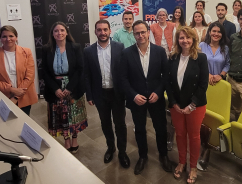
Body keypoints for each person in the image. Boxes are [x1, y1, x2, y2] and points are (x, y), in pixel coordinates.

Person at [120, 20, 172, 175]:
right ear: (133, 34)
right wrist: (133, 95)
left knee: (161, 128)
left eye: (143, 32)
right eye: (137, 33)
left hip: (156, 98)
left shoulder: (159, 51)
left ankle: (163, 155)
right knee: (140, 129)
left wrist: (158, 91)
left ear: (149, 32)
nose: (140, 35)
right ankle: (142, 156)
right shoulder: (126, 53)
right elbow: (123, 78)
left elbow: (166, 76)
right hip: (137, 100)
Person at [83, 20, 130, 168]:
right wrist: (89, 95)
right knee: (105, 123)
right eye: (99, 30)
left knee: (120, 124)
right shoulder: (88, 51)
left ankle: (122, 152)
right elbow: (87, 75)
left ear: (110, 31)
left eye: (105, 30)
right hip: (100, 94)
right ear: (95, 32)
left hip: (117, 94)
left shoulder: (119, 47)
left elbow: (124, 72)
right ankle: (111, 148)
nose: (102, 33)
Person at [167, 26, 209, 184]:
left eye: (188, 38)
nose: (184, 41)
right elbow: (168, 83)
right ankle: (181, 162)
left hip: (195, 106)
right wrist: (173, 102)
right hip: (176, 105)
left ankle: (193, 167)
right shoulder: (172, 57)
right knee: (179, 134)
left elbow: (203, 85)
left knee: (194, 136)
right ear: (178, 40)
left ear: (193, 39)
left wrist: (192, 105)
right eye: (181, 38)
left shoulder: (201, 58)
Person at [42, 22, 88, 153]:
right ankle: (66, 139)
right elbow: (44, 71)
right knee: (60, 116)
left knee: (73, 116)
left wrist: (69, 88)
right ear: (52, 34)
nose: (59, 33)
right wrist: (56, 89)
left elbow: (80, 69)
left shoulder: (75, 47)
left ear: (67, 32)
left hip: (72, 87)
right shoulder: (46, 49)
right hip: (54, 88)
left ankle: (74, 138)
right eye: (56, 31)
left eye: (62, 30)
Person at [0, 25, 38, 116]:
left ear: (16, 37)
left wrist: (16, 96)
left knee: (23, 122)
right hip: (3, 95)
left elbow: (30, 76)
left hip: (24, 96)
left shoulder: (27, 52)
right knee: (6, 125)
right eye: (4, 36)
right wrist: (11, 89)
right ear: (0, 38)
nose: (8, 39)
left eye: (11, 36)